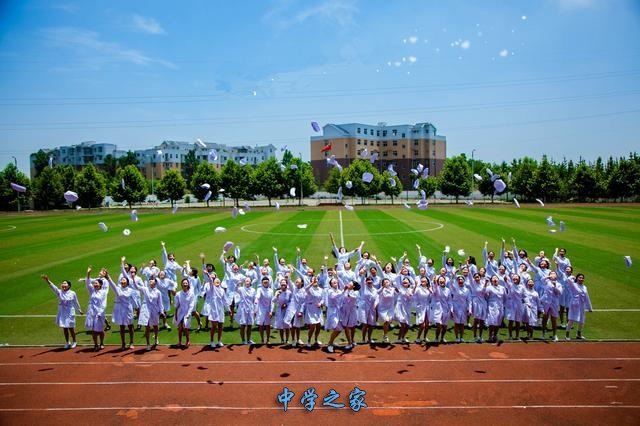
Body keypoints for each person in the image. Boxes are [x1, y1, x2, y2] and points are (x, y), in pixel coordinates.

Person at [42, 274, 83, 349]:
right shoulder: (59, 292)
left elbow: (75, 302)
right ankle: (67, 342)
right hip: (62, 312)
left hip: (70, 312)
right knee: (65, 328)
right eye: (63, 283)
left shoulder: (72, 293)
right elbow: (53, 287)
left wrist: (79, 310)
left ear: (69, 286)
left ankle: (74, 341)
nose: (63, 285)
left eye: (65, 284)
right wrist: (47, 280)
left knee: (71, 328)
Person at [108, 274, 136, 350]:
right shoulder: (118, 288)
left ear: (127, 282)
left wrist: (136, 308)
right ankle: (123, 343)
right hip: (120, 309)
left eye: (124, 280)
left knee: (130, 326)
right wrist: (108, 276)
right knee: (122, 326)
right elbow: (112, 284)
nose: (122, 281)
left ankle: (131, 342)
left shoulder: (131, 290)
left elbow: (133, 300)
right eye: (122, 280)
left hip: (128, 309)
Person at [84, 267, 108, 351]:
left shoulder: (103, 292)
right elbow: (87, 283)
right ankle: (95, 345)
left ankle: (101, 342)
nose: (95, 284)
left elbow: (104, 303)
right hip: (91, 311)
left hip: (99, 312)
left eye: (96, 283)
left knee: (100, 330)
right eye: (94, 283)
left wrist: (100, 313)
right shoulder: (92, 291)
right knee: (93, 330)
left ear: (100, 284)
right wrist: (88, 273)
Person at [565, 273, 593, 340]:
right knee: (571, 319)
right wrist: (572, 277)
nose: (581, 279)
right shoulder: (573, 285)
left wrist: (590, 307)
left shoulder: (584, 287)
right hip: (575, 304)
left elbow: (587, 297)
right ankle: (567, 334)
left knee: (582, 320)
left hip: (582, 305)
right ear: (577, 278)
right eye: (579, 277)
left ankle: (579, 334)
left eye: (582, 278)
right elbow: (568, 279)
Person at [202, 272, 226, 348]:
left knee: (220, 327)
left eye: (218, 282)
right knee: (214, 326)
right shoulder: (213, 289)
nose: (217, 283)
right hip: (214, 311)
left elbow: (224, 300)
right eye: (216, 282)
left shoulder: (222, 290)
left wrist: (229, 310)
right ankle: (212, 341)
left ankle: (219, 341)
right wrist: (208, 275)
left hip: (221, 310)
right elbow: (211, 281)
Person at [539, 272, 563, 341]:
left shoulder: (558, 284)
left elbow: (560, 293)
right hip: (546, 302)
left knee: (554, 319)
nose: (553, 275)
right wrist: (548, 277)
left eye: (554, 274)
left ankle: (554, 335)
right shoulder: (547, 282)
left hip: (554, 303)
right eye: (551, 273)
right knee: (545, 318)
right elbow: (542, 280)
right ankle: (543, 334)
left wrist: (555, 286)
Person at [284, 276, 306, 347]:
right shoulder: (294, 288)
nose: (296, 282)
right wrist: (288, 277)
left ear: (301, 283)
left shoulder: (304, 291)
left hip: (299, 310)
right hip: (292, 309)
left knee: (298, 326)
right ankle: (293, 339)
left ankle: (298, 339)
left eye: (298, 281)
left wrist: (301, 311)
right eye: (296, 281)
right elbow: (290, 282)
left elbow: (303, 302)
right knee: (292, 325)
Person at [174, 278, 196, 348]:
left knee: (186, 328)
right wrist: (176, 314)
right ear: (181, 284)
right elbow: (176, 305)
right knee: (180, 328)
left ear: (188, 284)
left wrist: (188, 314)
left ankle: (187, 341)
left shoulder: (191, 294)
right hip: (180, 312)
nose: (185, 284)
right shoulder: (178, 294)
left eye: (186, 283)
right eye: (184, 283)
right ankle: (180, 341)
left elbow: (191, 305)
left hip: (187, 313)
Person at [430, 276, 451, 343]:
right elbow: (435, 289)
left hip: (446, 309)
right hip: (437, 309)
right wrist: (434, 282)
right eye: (440, 281)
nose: (442, 282)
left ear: (445, 281)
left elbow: (450, 300)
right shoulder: (437, 288)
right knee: (439, 324)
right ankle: (436, 338)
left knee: (444, 326)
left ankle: (442, 338)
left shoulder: (448, 290)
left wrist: (451, 308)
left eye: (443, 281)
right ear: (438, 282)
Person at [450, 275, 471, 343]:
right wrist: (453, 276)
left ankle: (461, 337)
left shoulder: (467, 290)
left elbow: (469, 300)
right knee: (456, 323)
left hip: (464, 307)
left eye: (462, 279)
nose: (460, 281)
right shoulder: (455, 288)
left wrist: (469, 309)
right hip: (456, 307)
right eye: (459, 280)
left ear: (464, 281)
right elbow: (450, 283)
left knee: (462, 324)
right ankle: (456, 337)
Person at [485, 276, 506, 343]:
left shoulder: (502, 288)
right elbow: (485, 296)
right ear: (491, 281)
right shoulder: (489, 288)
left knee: (498, 321)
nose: (495, 279)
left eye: (496, 278)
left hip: (500, 305)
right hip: (492, 306)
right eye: (493, 278)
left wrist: (504, 305)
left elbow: (505, 297)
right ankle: (490, 335)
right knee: (492, 321)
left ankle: (495, 335)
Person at [236, 276, 256, 345]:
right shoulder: (241, 289)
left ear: (250, 282)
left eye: (248, 281)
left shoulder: (253, 290)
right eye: (246, 281)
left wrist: (255, 310)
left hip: (250, 308)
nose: (247, 282)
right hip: (243, 308)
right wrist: (239, 283)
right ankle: (243, 340)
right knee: (243, 325)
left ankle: (249, 339)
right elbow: (236, 289)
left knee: (250, 325)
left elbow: (254, 300)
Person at [505, 274, 525, 340]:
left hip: (519, 304)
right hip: (511, 304)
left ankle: (517, 336)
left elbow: (524, 296)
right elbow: (507, 283)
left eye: (516, 278)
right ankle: (510, 336)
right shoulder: (510, 285)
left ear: (519, 279)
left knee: (517, 321)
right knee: (511, 320)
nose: (515, 279)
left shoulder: (522, 287)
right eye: (513, 278)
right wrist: (505, 279)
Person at [469, 273, 488, 343]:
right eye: (475, 277)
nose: (477, 278)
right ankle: (474, 336)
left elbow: (484, 292)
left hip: (483, 302)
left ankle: (480, 336)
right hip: (476, 302)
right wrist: (468, 267)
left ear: (480, 277)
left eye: (478, 277)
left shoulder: (483, 283)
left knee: (482, 321)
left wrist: (485, 284)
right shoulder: (473, 284)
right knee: (476, 320)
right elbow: (470, 276)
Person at [359, 276, 379, 344]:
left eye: (371, 281)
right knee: (365, 324)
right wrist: (363, 273)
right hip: (364, 308)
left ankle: (369, 339)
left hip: (372, 308)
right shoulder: (363, 288)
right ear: (366, 282)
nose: (370, 282)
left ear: (373, 282)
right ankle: (363, 339)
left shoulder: (375, 290)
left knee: (371, 325)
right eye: (368, 281)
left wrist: (375, 304)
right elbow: (362, 280)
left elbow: (377, 298)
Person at [255, 276, 274, 344]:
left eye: (267, 282)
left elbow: (272, 301)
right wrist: (256, 299)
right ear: (262, 283)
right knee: (261, 325)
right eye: (264, 282)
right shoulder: (259, 289)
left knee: (268, 325)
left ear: (268, 283)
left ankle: (268, 339)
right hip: (261, 309)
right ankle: (262, 339)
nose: (266, 283)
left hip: (268, 309)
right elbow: (258, 296)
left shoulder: (271, 290)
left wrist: (271, 311)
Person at [272, 278, 292, 345]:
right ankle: (282, 340)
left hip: (287, 310)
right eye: (282, 283)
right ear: (280, 284)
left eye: (284, 283)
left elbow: (291, 301)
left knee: (287, 325)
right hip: (279, 310)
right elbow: (273, 300)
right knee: (281, 326)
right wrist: (277, 295)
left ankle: (287, 340)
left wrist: (286, 305)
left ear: (286, 284)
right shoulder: (277, 292)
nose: (283, 284)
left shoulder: (289, 292)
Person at [377, 278, 396, 343]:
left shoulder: (393, 289)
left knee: (388, 322)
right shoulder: (382, 289)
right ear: (382, 284)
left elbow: (399, 293)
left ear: (390, 283)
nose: (386, 283)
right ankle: (385, 336)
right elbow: (377, 292)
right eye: (384, 282)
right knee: (386, 321)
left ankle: (385, 334)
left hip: (390, 309)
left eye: (387, 282)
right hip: (382, 309)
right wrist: (382, 287)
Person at [414, 276, 431, 343]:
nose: (423, 282)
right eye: (422, 281)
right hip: (420, 307)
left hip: (428, 307)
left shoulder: (429, 288)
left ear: (427, 282)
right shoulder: (418, 289)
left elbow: (432, 296)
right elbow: (414, 296)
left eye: (424, 281)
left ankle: (424, 337)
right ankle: (418, 337)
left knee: (427, 324)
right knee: (422, 324)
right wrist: (416, 305)